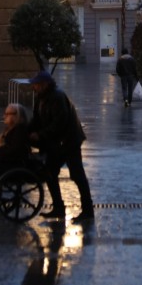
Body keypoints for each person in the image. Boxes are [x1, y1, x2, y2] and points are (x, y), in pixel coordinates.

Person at [28, 69, 94, 224]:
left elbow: (60, 123)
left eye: (36, 85)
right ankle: (58, 208)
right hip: (57, 142)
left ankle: (88, 210)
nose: (34, 87)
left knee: (77, 175)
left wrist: (41, 135)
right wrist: (26, 131)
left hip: (69, 141)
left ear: (45, 84)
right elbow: (36, 119)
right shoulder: (41, 98)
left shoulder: (57, 97)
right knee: (50, 173)